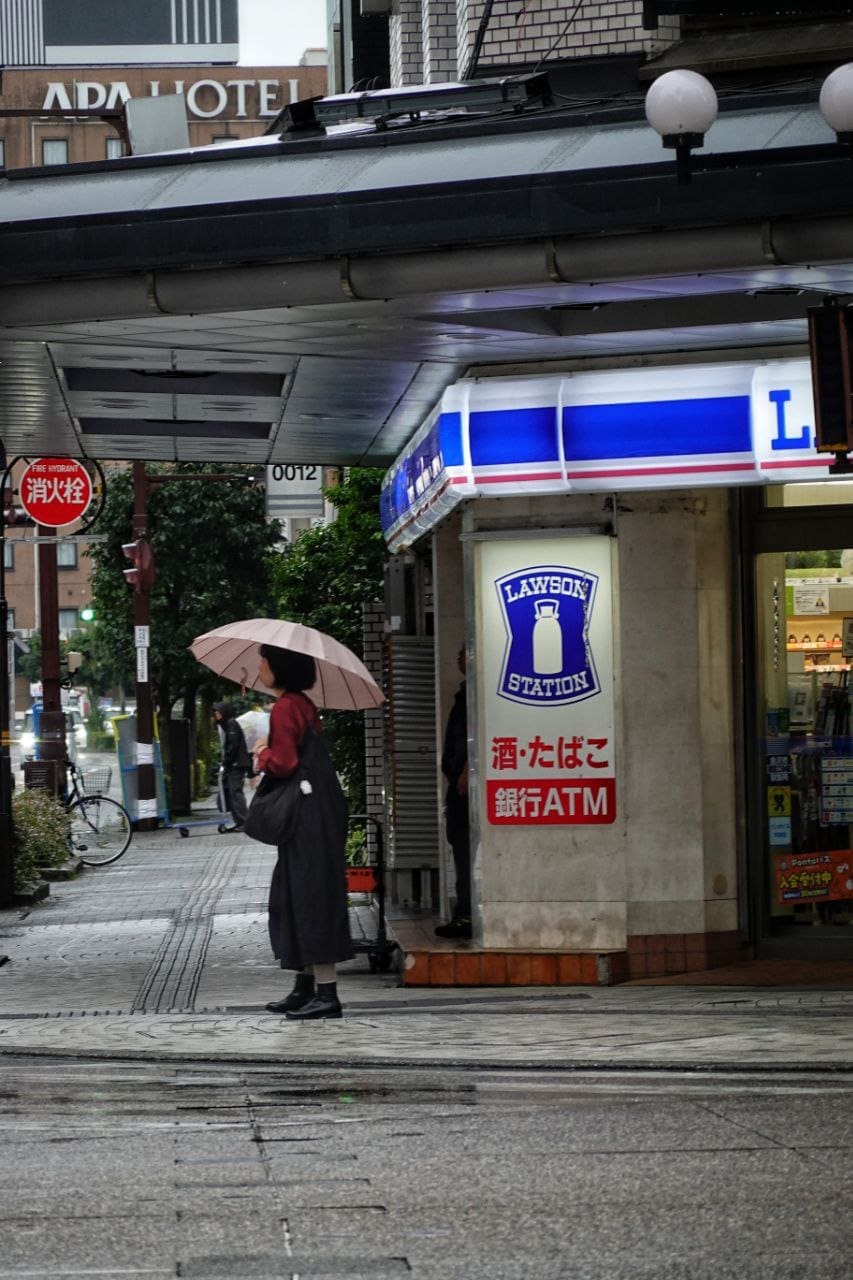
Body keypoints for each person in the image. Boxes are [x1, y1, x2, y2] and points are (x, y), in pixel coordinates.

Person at [253, 642, 354, 1020]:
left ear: (279, 666)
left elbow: (283, 763)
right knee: (299, 892)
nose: (260, 667)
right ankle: (305, 985)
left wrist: (261, 752)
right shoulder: (302, 704)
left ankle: (326, 993)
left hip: (307, 816)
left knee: (310, 896)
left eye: (263, 660)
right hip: (320, 811)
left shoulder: (285, 707)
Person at [435, 646, 472, 939]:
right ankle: (463, 912)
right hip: (457, 785)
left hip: (466, 787)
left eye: (464, 652)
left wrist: (465, 773)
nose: (458, 658)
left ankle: (467, 914)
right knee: (460, 849)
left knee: (465, 849)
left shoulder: (475, 695)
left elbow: (476, 736)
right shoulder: (464, 693)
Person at [213, 701, 252, 833]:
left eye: (218, 713)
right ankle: (240, 822)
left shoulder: (231, 724)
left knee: (235, 792)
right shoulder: (227, 725)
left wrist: (226, 761)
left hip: (236, 764)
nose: (216, 716)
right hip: (234, 763)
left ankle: (244, 822)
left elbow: (233, 745)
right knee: (232, 793)